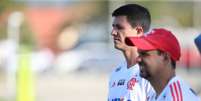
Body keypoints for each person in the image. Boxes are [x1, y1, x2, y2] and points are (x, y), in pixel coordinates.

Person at [125, 28, 201, 101]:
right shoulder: (156, 95)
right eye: (139, 53)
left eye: (144, 54)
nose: (138, 59)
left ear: (165, 57)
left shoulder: (177, 98)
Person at [108, 4, 154, 101]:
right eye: (113, 27)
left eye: (119, 27)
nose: (113, 32)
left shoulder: (152, 72)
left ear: (138, 31)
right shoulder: (116, 73)